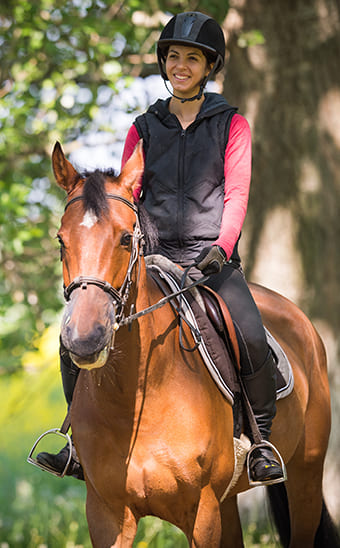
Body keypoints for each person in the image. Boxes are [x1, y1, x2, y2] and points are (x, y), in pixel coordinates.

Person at [37, 11, 285, 485]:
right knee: (76, 330)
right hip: (151, 257)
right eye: (174, 56)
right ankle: (75, 444)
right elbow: (129, 191)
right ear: (164, 63)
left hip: (211, 259)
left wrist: (222, 246)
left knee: (250, 332)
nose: (181, 65)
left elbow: (236, 193)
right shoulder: (144, 127)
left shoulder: (231, 125)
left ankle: (261, 442)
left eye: (192, 58)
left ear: (208, 67)